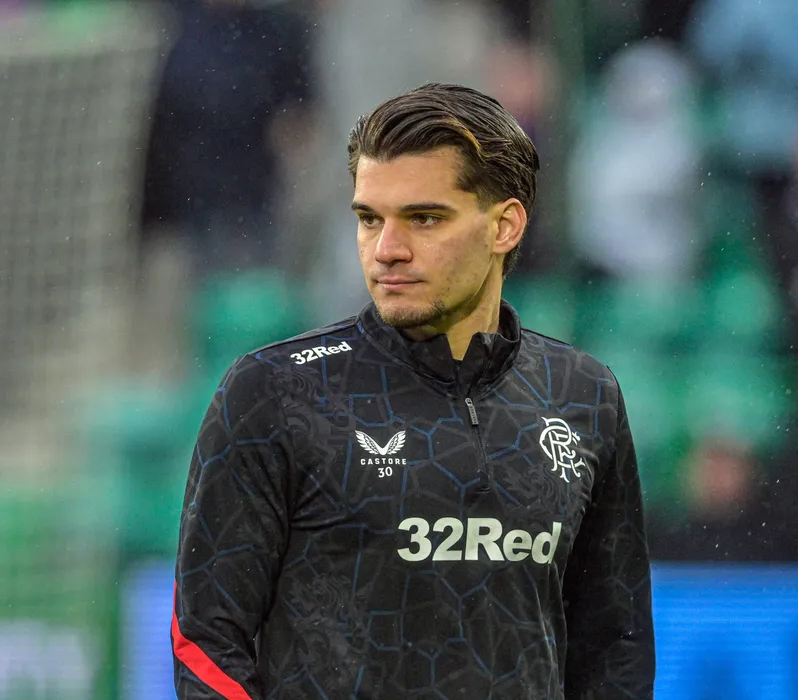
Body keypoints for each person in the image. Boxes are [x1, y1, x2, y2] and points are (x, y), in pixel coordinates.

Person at [171, 83, 655, 699]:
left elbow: (616, 648)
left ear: (505, 226)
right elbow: (206, 642)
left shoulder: (585, 395)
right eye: (369, 219)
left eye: (424, 219)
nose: (386, 250)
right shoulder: (276, 390)